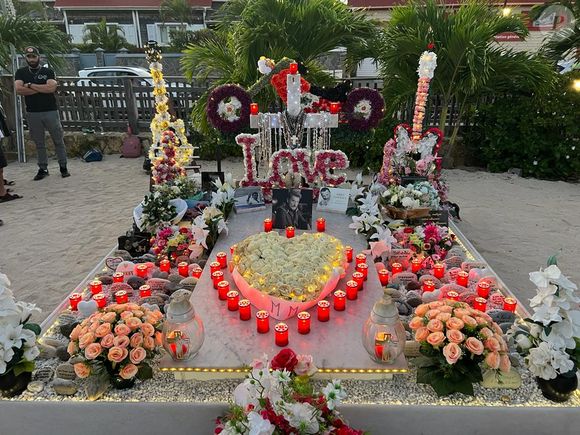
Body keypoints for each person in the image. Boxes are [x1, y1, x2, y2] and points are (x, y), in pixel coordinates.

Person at [14, 46, 70, 180]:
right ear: (26, 58)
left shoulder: (48, 71)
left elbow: (51, 88)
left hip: (50, 110)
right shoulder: (21, 73)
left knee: (58, 139)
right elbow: (19, 90)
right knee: (39, 142)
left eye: (34, 56)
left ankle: (63, 166)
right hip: (33, 112)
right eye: (29, 57)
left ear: (39, 57)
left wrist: (30, 85)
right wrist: (40, 88)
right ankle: (43, 168)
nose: (32, 59)